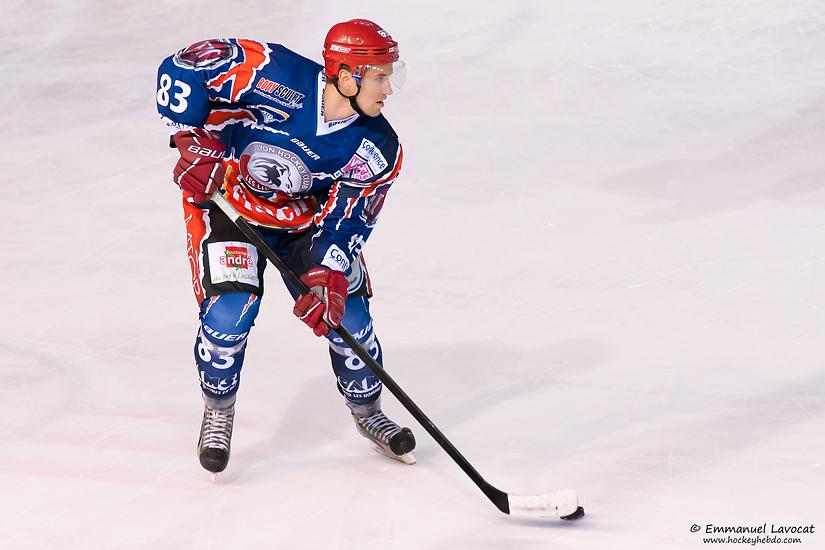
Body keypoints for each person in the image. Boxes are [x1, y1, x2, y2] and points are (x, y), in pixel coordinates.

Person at [155, 19, 415, 475]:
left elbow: (351, 217)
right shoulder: (269, 69)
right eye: (379, 77)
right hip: (229, 201)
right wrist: (189, 140)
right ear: (346, 76)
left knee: (348, 320)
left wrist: (329, 271)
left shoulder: (378, 147)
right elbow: (183, 67)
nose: (389, 89)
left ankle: (367, 411)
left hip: (306, 223)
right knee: (227, 315)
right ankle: (218, 409)